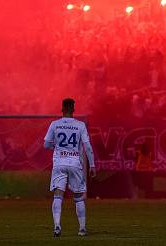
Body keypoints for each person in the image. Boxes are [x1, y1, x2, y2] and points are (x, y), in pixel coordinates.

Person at [43, 98, 96, 238]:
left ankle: (57, 226)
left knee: (58, 195)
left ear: (62, 109)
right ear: (73, 109)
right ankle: (82, 229)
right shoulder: (80, 125)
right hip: (75, 163)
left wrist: (57, 147)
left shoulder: (55, 124)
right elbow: (88, 147)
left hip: (59, 163)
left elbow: (46, 144)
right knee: (78, 197)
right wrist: (92, 165)